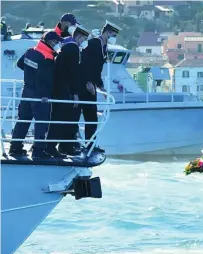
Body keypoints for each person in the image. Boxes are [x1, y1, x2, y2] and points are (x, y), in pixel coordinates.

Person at [9, 31, 62, 158]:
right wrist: (44, 94)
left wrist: (30, 75)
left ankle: (15, 147)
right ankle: (38, 151)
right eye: (56, 42)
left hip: (26, 91)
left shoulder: (30, 51)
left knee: (22, 120)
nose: (57, 44)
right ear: (50, 42)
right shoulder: (47, 58)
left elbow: (20, 64)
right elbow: (45, 78)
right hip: (39, 95)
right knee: (41, 123)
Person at [46, 24, 90, 157]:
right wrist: (75, 93)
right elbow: (73, 72)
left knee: (60, 118)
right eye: (83, 38)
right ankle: (56, 147)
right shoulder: (73, 48)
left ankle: (62, 146)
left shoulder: (65, 45)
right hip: (64, 89)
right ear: (79, 37)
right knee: (61, 119)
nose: (84, 41)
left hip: (59, 87)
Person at [78, 20, 121, 153]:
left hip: (92, 86)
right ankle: (78, 144)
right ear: (106, 33)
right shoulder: (93, 43)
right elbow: (83, 64)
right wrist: (87, 82)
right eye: (113, 35)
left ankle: (90, 145)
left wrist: (101, 88)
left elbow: (97, 70)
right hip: (83, 85)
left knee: (92, 118)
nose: (113, 38)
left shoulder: (104, 47)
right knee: (81, 115)